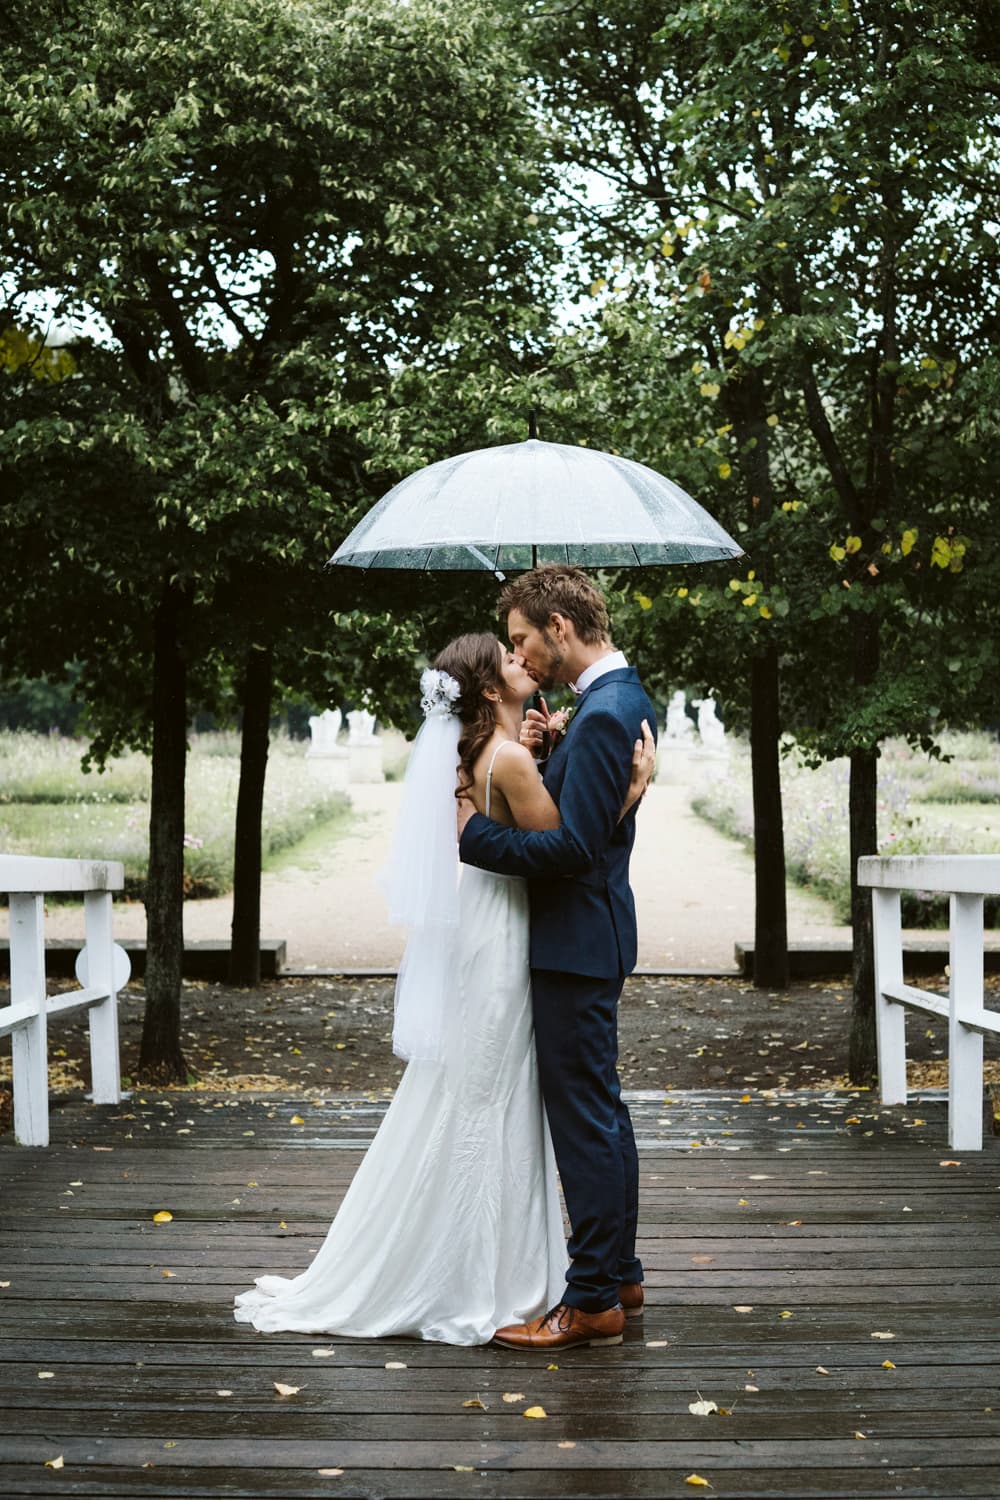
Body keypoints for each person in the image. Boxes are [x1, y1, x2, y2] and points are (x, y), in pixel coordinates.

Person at [234, 632, 653, 1346]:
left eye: (521, 645)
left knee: (480, 1091)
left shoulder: (494, 753)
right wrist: (629, 794)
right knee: (495, 1096)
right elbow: (569, 851)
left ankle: (541, 1268)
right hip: (509, 937)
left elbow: (535, 830)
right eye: (509, 655)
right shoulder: (509, 758)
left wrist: (542, 754)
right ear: (489, 689)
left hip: (488, 928)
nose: (522, 659)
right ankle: (485, 1271)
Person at [458, 566, 657, 1353]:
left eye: (522, 638)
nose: (519, 655)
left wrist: (474, 834)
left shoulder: (605, 712)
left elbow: (572, 849)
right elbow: (587, 819)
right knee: (602, 1112)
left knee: (585, 1121)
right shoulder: (609, 703)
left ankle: (593, 1299)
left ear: (560, 629)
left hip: (576, 940)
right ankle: (621, 1273)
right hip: (587, 936)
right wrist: (556, 754)